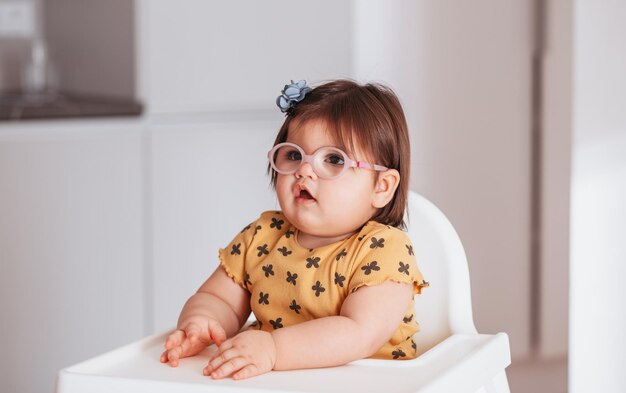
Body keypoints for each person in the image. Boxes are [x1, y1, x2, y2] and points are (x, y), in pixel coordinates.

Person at [160, 79, 428, 380]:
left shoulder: (384, 249)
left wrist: (274, 349)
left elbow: (359, 332)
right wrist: (202, 322)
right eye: (293, 155)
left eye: (333, 159)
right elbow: (218, 298)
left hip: (369, 384)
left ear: (381, 186)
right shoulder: (262, 236)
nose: (304, 170)